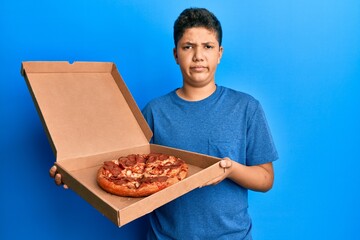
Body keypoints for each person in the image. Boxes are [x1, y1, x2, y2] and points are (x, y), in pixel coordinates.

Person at [50, 7, 278, 239]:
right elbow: (120, 167)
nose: (198, 56)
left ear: (219, 53)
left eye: (207, 46)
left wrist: (230, 169)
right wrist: (76, 176)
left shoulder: (246, 107)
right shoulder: (154, 111)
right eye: (188, 46)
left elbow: (266, 178)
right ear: (176, 54)